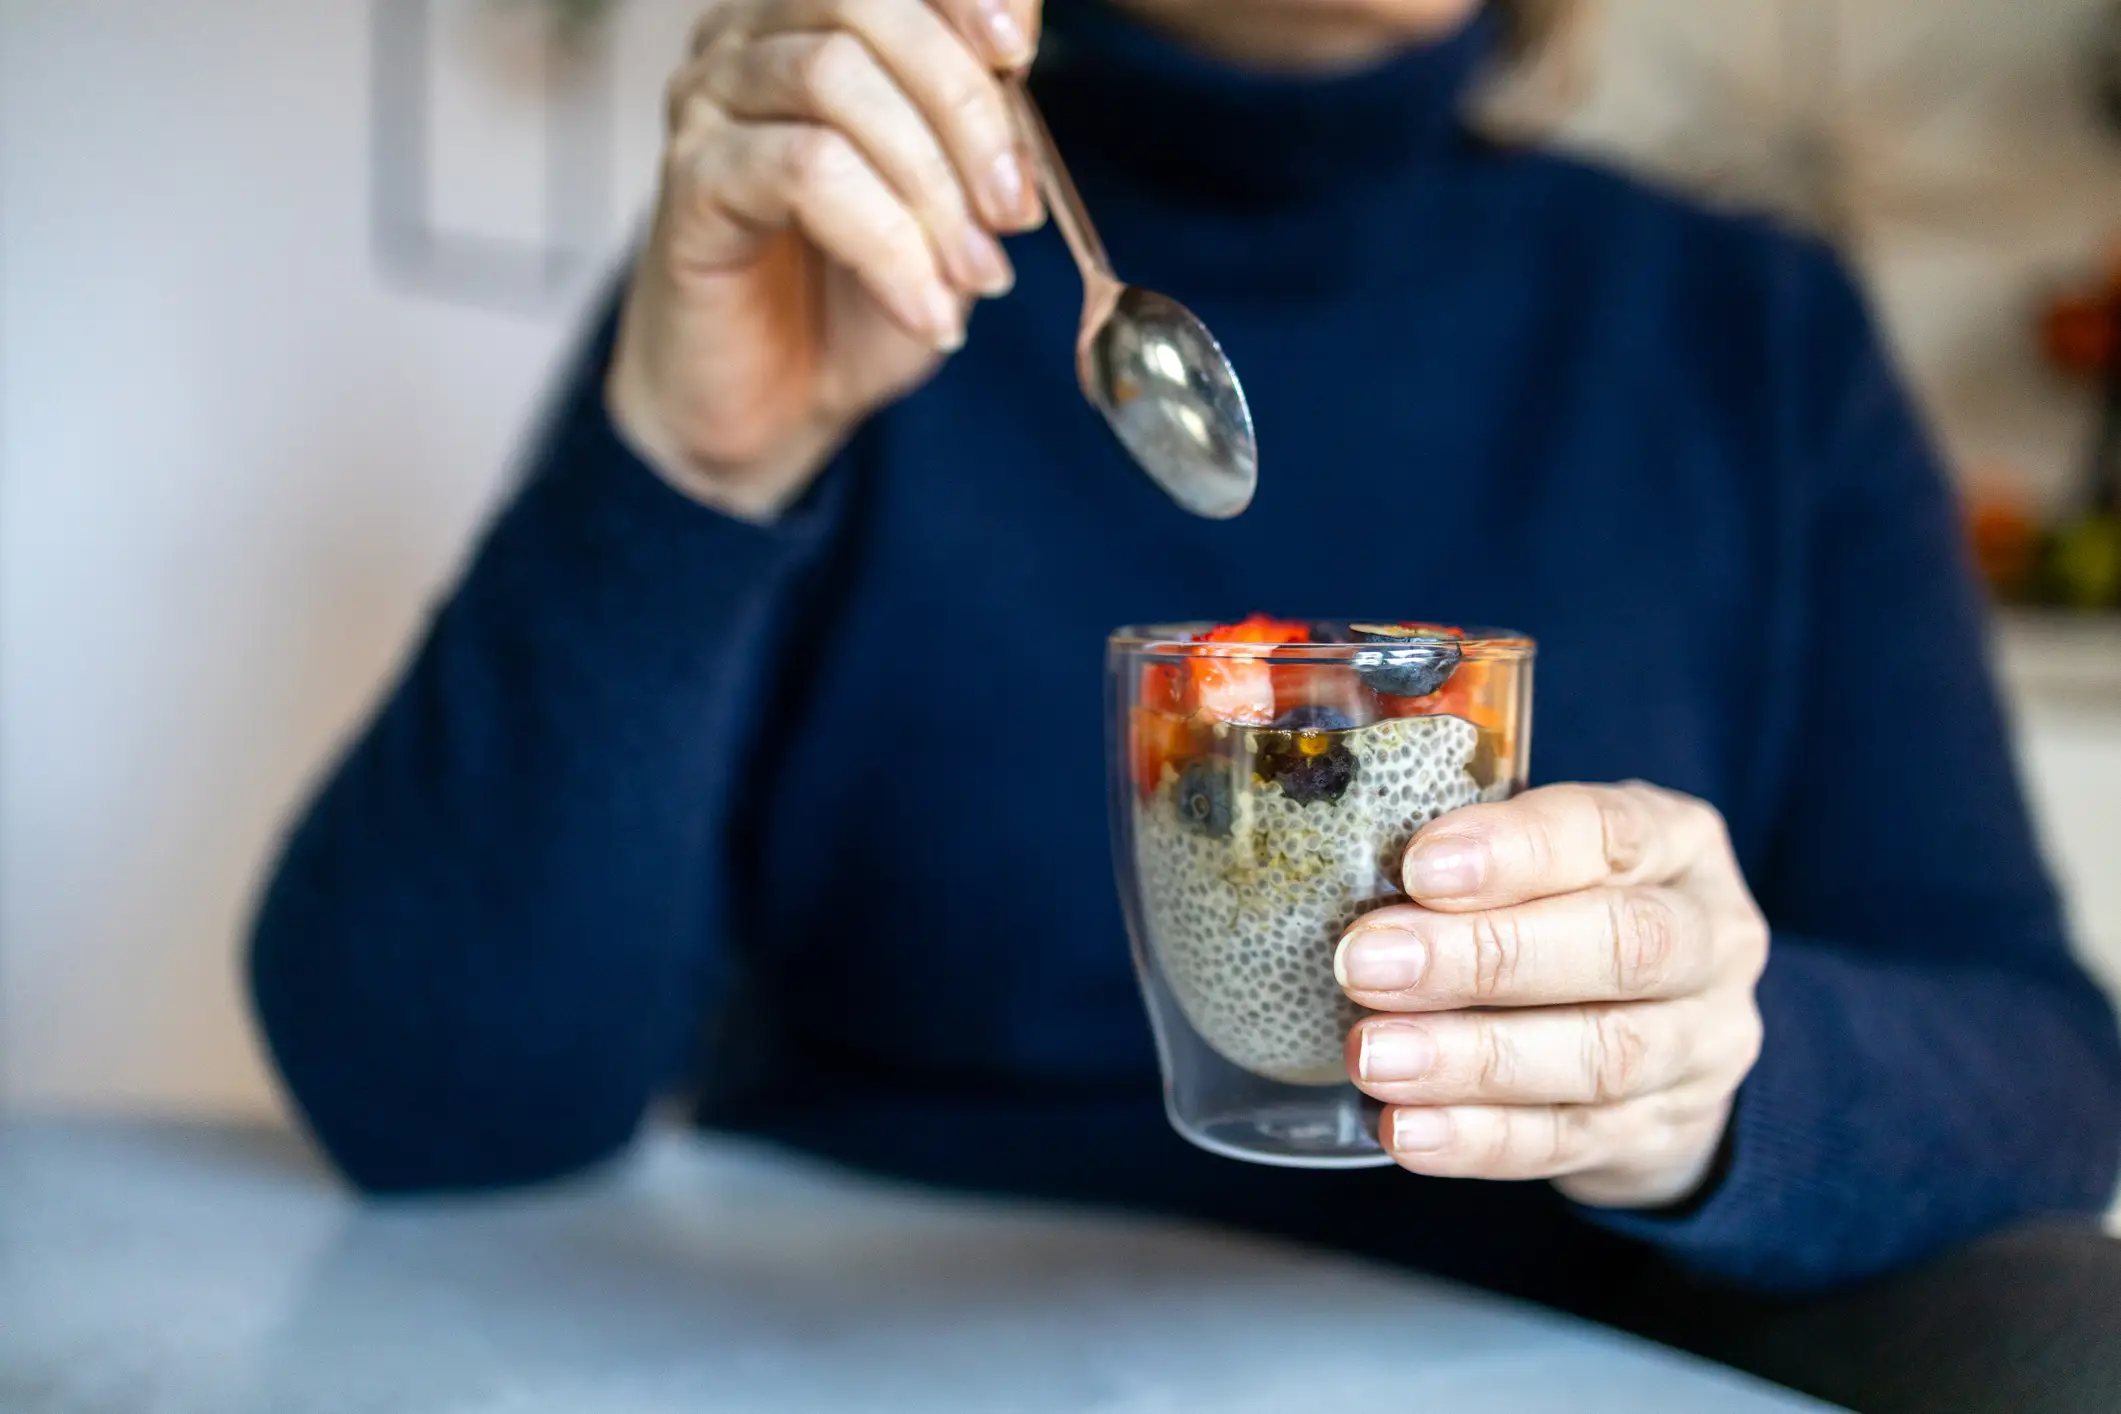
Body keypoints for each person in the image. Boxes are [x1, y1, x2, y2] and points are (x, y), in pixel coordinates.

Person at [248, 0, 2121, 1407]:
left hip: (1554, 1340)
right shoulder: (845, 257)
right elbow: (421, 1096)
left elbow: (2045, 1071)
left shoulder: (1750, 340)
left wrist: (1712, 1078)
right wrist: (692, 463)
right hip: (879, 1341)